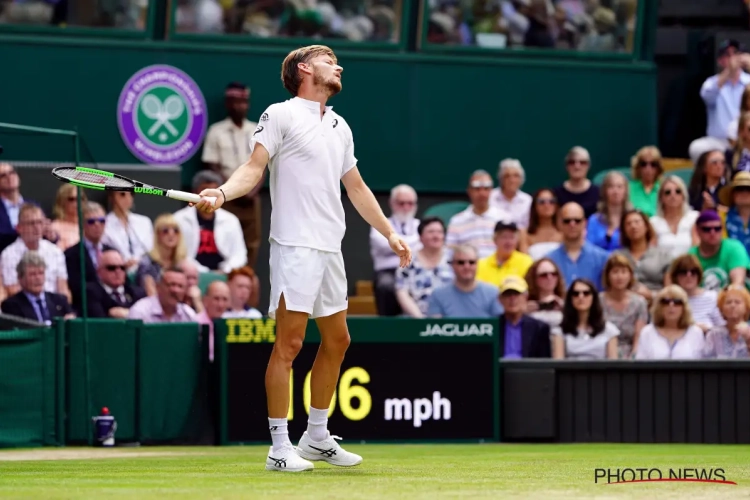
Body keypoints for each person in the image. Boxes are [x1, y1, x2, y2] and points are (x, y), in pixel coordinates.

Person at [192, 45, 412, 472]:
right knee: (289, 344)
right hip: (294, 245)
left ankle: (316, 436)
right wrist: (221, 192)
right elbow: (254, 167)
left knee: (338, 340)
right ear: (305, 69)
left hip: (331, 248)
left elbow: (358, 188)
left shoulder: (339, 125)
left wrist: (389, 232)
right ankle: (279, 448)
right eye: (331, 60)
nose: (339, 65)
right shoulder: (280, 114)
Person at [202, 82, 265, 269]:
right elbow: (211, 164)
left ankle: (246, 281)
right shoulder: (216, 131)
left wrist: (251, 191)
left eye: (244, 102)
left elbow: (263, 164)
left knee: (252, 243)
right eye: (235, 102)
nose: (240, 106)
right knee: (225, 239)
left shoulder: (257, 129)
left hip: (251, 197)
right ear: (228, 104)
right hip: (227, 196)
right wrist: (231, 189)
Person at [174, 171, 247, 273]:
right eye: (205, 192)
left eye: (214, 192)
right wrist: (206, 274)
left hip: (225, 274)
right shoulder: (178, 219)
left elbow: (239, 254)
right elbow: (179, 255)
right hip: (191, 274)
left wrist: (225, 270)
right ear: (194, 192)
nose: (209, 197)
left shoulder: (231, 220)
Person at [690, 39, 750, 163]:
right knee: (696, 148)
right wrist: (729, 71)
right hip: (720, 143)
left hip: (746, 141)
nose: (733, 58)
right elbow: (707, 95)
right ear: (720, 61)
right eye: (728, 55)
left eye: (736, 53)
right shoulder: (712, 82)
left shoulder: (748, 80)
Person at [369, 184, 421, 316]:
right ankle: (388, 328)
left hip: (415, 270)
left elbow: (423, 245)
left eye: (410, 203)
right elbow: (382, 244)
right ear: (392, 203)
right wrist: (414, 241)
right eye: (401, 203)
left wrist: (394, 240)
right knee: (385, 286)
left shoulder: (419, 225)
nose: (406, 207)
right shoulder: (379, 223)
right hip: (388, 272)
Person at [395, 217, 452, 318]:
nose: (436, 236)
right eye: (431, 232)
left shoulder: (455, 260)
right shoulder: (408, 260)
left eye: (440, 232)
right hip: (415, 317)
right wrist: (419, 318)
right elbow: (402, 291)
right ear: (420, 237)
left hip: (450, 316)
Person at [551, 278, 619, 360]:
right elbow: (558, 364)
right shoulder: (559, 331)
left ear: (594, 297)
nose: (581, 297)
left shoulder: (609, 330)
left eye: (586, 293)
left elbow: (613, 365)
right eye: (576, 293)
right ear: (570, 298)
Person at [427, 244, 503, 318]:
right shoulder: (438, 295)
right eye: (461, 262)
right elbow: (434, 326)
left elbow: (501, 326)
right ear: (453, 265)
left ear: (477, 264)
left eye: (471, 262)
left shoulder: (493, 293)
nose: (466, 266)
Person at [546, 202, 609, 290]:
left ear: (585, 223)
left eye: (577, 221)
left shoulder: (603, 258)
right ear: (559, 224)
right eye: (567, 221)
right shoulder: (549, 260)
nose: (572, 224)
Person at [64, 202, 114, 313]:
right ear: (82, 224)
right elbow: (77, 289)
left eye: (102, 221)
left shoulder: (112, 251)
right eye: (91, 222)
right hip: (88, 309)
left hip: (114, 304)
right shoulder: (71, 254)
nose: (97, 225)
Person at [1, 251, 74, 323]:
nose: (38, 278)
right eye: (32, 274)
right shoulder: (11, 305)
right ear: (20, 278)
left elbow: (72, 319)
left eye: (41, 273)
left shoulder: (59, 300)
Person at [635, 285, 704, 360]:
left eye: (677, 302)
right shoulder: (647, 332)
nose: (671, 305)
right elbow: (640, 364)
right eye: (666, 302)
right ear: (659, 307)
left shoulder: (696, 332)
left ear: (684, 308)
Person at [599, 254, 648, 358]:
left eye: (624, 272)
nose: (619, 277)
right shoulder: (598, 301)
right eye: (615, 272)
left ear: (630, 275)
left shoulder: (639, 303)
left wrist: (633, 358)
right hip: (602, 354)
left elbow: (638, 337)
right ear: (607, 275)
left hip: (630, 355)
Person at [617, 209, 671, 302]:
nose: (633, 226)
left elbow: (670, 291)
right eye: (628, 224)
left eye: (637, 222)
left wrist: (651, 295)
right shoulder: (617, 257)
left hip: (656, 306)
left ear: (646, 226)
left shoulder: (663, 255)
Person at [688, 210, 750, 291]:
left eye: (717, 228)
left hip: (733, 300)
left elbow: (738, 283)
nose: (712, 232)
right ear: (697, 231)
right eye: (707, 229)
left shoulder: (733, 247)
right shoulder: (692, 255)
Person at [497, 276, 551, 359]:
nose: (512, 299)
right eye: (508, 294)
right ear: (500, 299)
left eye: (516, 294)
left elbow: (544, 364)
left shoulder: (539, 328)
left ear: (526, 297)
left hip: (528, 371)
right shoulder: (491, 327)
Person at [668, 254, 724, 333]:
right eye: (683, 272)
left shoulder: (712, 297)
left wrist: (707, 330)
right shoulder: (668, 300)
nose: (689, 275)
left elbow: (723, 330)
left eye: (693, 272)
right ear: (675, 276)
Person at [135, 214, 188, 296]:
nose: (171, 234)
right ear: (158, 235)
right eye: (165, 231)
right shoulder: (147, 262)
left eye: (175, 230)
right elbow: (150, 293)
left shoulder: (182, 263)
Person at [86, 249, 146, 318]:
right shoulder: (90, 293)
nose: (118, 271)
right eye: (111, 268)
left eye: (122, 268)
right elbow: (99, 321)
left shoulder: (137, 293)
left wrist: (127, 314)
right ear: (99, 272)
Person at [102, 191, 153, 271]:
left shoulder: (144, 222)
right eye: (122, 194)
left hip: (144, 269)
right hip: (117, 269)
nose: (128, 198)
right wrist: (123, 262)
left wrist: (137, 260)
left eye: (131, 194)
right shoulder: (104, 223)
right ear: (111, 197)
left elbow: (150, 248)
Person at [650, 176, 699, 259]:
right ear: (661, 198)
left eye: (678, 191)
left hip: (689, 267)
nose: (673, 195)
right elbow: (652, 252)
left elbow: (697, 249)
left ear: (683, 195)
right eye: (668, 192)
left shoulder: (694, 217)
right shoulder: (653, 222)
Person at [128, 266, 197, 323]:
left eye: (180, 286)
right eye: (171, 285)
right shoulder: (140, 312)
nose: (175, 290)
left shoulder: (188, 314)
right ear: (158, 287)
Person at [476, 221, 532, 288]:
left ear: (517, 240)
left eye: (512, 237)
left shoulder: (526, 262)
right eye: (504, 237)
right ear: (495, 240)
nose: (508, 242)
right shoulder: (481, 264)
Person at [586, 171, 630, 252]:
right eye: (611, 187)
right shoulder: (594, 220)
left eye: (620, 187)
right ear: (604, 191)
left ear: (626, 191)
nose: (615, 191)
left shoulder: (631, 218)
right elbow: (588, 249)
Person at [703, 285, 750, 359]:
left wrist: (748, 339)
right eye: (728, 302)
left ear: (746, 308)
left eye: (737, 302)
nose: (732, 305)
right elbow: (706, 362)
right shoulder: (714, 334)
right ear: (721, 309)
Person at [553, 146, 600, 218]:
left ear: (588, 166)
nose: (577, 166)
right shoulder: (556, 193)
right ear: (566, 166)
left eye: (582, 162)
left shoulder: (598, 193)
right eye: (572, 162)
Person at [489, 158, 532, 229]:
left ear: (521, 180)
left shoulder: (528, 200)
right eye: (507, 176)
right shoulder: (490, 197)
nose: (512, 180)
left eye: (516, 176)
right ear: (501, 179)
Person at [524, 257, 565, 330]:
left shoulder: (565, 302)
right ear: (534, 278)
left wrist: (566, 309)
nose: (550, 277)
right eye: (544, 275)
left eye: (554, 274)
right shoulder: (526, 305)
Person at [521, 188, 562, 261]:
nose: (547, 205)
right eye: (541, 202)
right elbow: (524, 261)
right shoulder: (525, 234)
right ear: (535, 206)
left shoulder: (564, 232)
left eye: (551, 201)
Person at [719, 171, 750, 254]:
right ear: (732, 194)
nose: (744, 193)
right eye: (739, 189)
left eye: (748, 189)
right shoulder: (720, 218)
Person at [49, 184, 87, 251]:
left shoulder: (88, 224)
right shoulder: (55, 227)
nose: (77, 203)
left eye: (80, 198)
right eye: (72, 199)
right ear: (62, 201)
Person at [627, 146, 662, 217]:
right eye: (643, 164)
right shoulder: (628, 188)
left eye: (653, 164)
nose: (648, 168)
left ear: (658, 168)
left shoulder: (665, 189)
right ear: (638, 167)